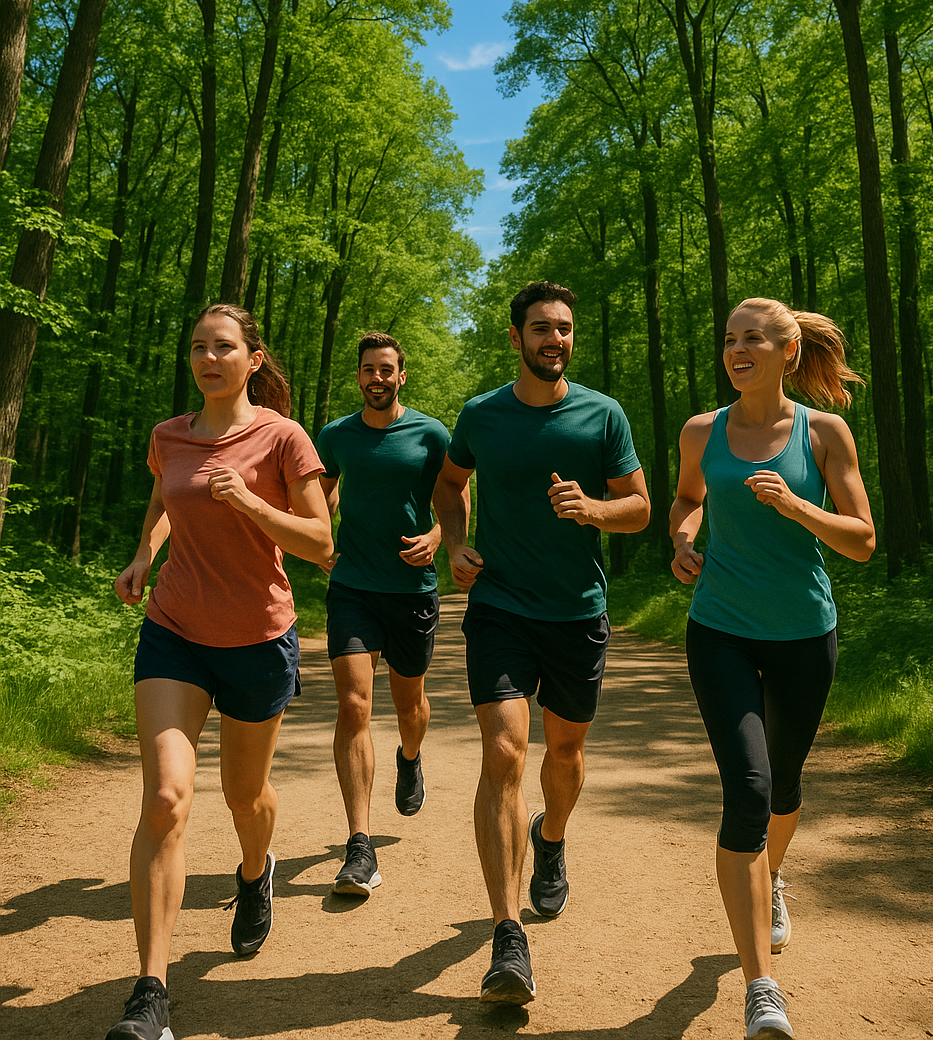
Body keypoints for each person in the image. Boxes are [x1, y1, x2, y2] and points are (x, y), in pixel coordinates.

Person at [106, 304, 333, 1040]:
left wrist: (251, 505)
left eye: (224, 347)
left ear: (254, 359)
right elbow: (164, 498)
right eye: (198, 347)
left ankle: (254, 868)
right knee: (168, 797)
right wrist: (146, 552)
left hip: (258, 639)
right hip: (175, 631)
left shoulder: (282, 437)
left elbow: (320, 544)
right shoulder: (168, 435)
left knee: (245, 793)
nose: (209, 358)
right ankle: (150, 995)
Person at [434, 280, 650, 1005]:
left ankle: (551, 835)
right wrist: (456, 544)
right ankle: (507, 935)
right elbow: (449, 483)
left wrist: (592, 509)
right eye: (540, 329)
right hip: (499, 606)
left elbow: (642, 508)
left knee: (565, 754)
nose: (553, 340)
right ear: (515, 337)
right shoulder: (482, 415)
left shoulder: (603, 414)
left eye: (563, 329)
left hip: (577, 612)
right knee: (503, 752)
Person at [669, 298, 875, 1040]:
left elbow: (861, 539)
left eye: (753, 338)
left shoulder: (824, 433)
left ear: (788, 351)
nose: (737, 349)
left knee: (783, 786)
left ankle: (771, 877)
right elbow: (688, 501)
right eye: (729, 338)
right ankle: (762, 986)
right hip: (719, 630)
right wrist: (684, 539)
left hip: (803, 635)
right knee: (749, 790)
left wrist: (797, 507)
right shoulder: (703, 431)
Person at [316, 331, 456, 897]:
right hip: (353, 586)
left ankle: (410, 755)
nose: (377, 378)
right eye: (368, 369)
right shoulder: (335, 435)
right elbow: (319, 492)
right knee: (353, 703)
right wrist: (321, 543)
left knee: (409, 703)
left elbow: (454, 493)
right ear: (358, 377)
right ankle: (359, 844)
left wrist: (441, 536)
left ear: (402, 376)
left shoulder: (430, 432)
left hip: (412, 588)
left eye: (386, 370)